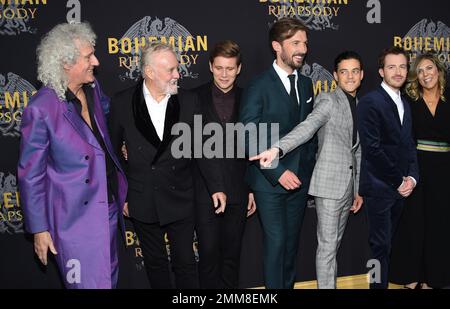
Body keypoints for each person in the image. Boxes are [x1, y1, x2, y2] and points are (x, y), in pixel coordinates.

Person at [18, 22, 128, 289]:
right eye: (88, 56)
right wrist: (40, 229)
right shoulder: (42, 108)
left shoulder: (93, 89)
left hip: (108, 208)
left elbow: (107, 125)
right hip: (74, 220)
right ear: (67, 63)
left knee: (108, 280)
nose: (96, 61)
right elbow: (30, 175)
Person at [109, 42, 226, 289]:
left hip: (180, 195)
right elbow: (112, 155)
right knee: (155, 263)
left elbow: (202, 148)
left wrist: (216, 186)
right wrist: (123, 194)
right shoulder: (122, 103)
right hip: (142, 197)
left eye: (177, 68)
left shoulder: (189, 100)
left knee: (185, 264)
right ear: (150, 72)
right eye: (171, 70)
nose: (177, 74)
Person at [250, 51, 365, 288]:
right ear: (335, 75)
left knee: (334, 247)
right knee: (327, 249)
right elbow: (308, 127)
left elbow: (357, 150)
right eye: (344, 71)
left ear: (362, 75)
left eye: (355, 71)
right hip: (328, 186)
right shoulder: (328, 100)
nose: (350, 76)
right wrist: (278, 149)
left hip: (348, 187)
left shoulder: (361, 104)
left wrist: (358, 188)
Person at [239, 17, 317, 289]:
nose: (302, 49)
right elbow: (248, 133)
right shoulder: (258, 85)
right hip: (269, 181)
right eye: (295, 43)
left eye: (305, 43)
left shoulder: (306, 84)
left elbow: (308, 132)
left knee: (291, 247)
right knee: (276, 245)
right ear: (276, 46)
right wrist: (278, 172)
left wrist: (305, 172)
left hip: (299, 181)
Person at [192, 40, 256, 289]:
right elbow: (193, 147)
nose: (224, 74)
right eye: (219, 68)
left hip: (239, 189)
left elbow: (254, 144)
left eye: (230, 68)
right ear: (210, 67)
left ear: (239, 69)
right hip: (204, 190)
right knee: (207, 255)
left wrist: (251, 187)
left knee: (231, 256)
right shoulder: (193, 97)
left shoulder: (249, 97)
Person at [356, 47, 419, 289]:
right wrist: (399, 181)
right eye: (391, 67)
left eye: (402, 66)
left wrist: (412, 177)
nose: (398, 72)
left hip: (401, 188)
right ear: (381, 71)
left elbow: (409, 145)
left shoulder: (405, 103)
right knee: (379, 247)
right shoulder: (370, 102)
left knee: (390, 245)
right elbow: (372, 150)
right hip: (380, 188)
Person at [390, 52, 450, 289]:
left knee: (440, 224)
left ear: (438, 71)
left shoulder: (448, 99)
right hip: (417, 167)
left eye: (429, 69)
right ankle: (412, 277)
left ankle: (435, 279)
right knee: (414, 224)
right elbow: (402, 140)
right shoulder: (409, 102)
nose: (426, 75)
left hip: (445, 170)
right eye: (421, 71)